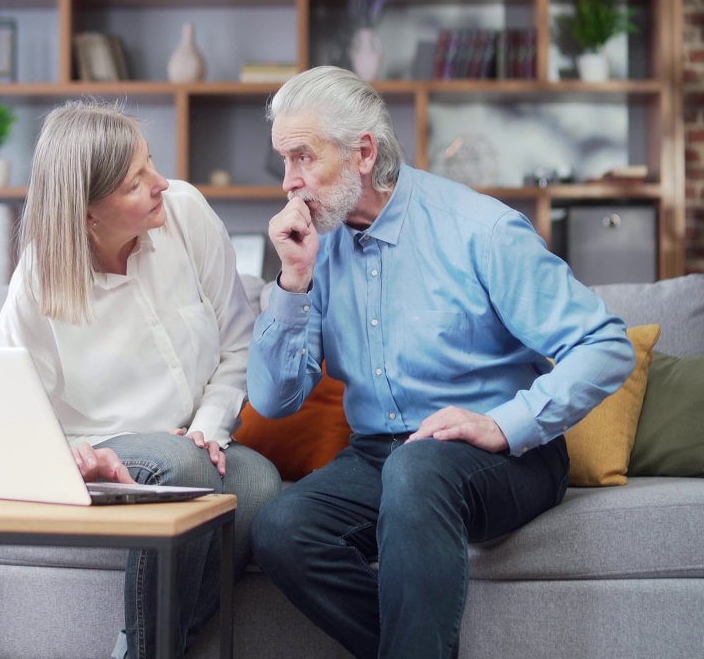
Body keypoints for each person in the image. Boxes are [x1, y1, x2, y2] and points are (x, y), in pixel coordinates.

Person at [246, 66, 635, 659]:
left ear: (363, 153)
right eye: (284, 162)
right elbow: (275, 400)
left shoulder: (480, 231)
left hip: (505, 455)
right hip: (380, 452)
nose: (288, 184)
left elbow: (606, 344)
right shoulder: (315, 249)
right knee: (281, 529)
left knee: (417, 469)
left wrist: (505, 424)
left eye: (302, 158)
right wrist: (293, 283)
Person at [0, 100, 281, 659]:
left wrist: (208, 428)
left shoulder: (186, 212)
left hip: (197, 437)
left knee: (259, 485)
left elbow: (240, 341)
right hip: (108, 450)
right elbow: (12, 399)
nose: (161, 183)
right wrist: (73, 455)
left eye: (151, 163)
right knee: (184, 466)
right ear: (87, 215)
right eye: (135, 183)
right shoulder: (38, 280)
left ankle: (144, 649)